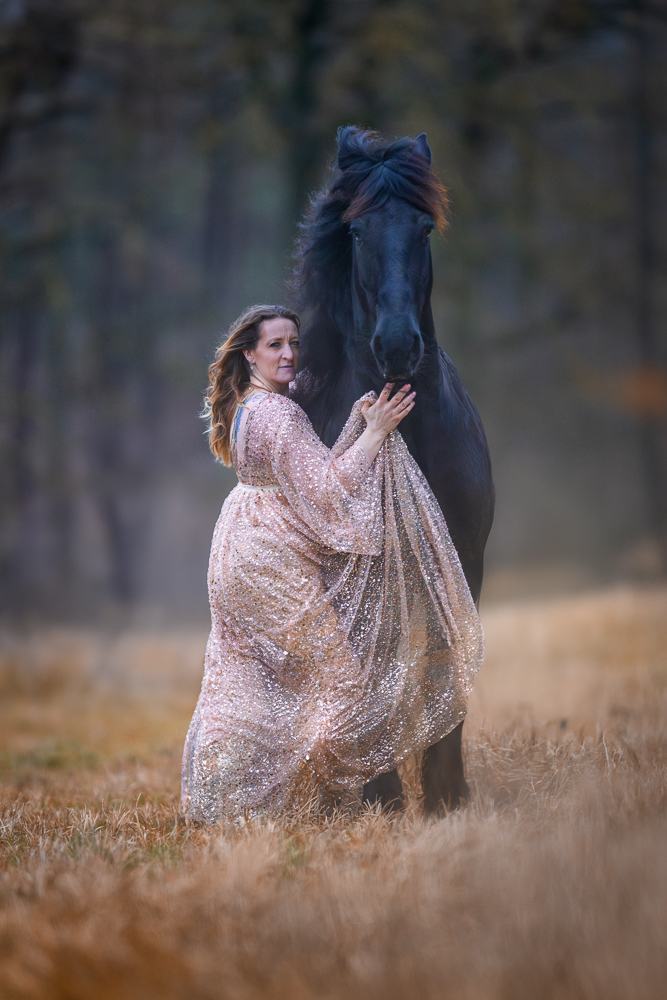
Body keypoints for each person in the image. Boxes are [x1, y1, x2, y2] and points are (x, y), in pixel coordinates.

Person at [181, 304, 483, 821]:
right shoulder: (278, 414)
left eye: (294, 343)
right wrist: (375, 431)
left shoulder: (249, 405)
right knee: (341, 678)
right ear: (249, 353)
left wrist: (351, 410)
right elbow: (326, 488)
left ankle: (222, 799)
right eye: (275, 344)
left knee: (250, 676)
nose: (289, 354)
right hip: (270, 560)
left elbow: (303, 464)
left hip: (238, 548)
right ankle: (322, 802)